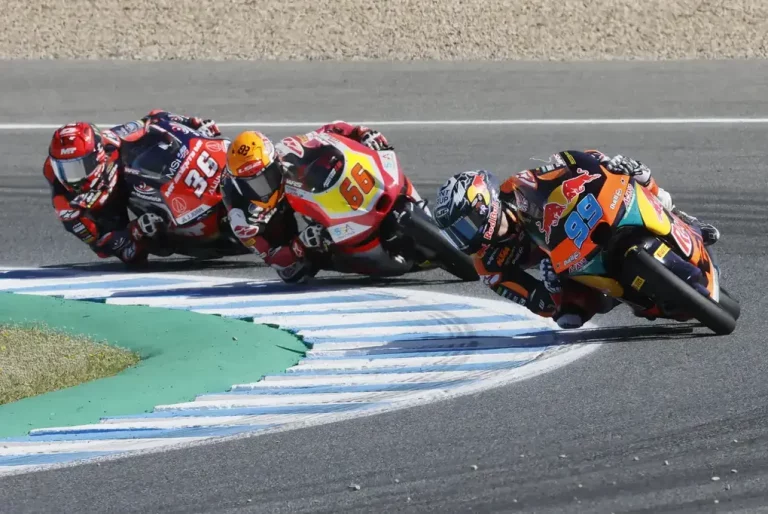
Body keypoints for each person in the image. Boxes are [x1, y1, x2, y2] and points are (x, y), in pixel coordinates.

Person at [433, 149, 721, 329]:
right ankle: (626, 295)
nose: (465, 240)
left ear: (483, 205)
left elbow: (572, 163)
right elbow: (538, 304)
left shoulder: (521, 185)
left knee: (633, 174)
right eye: (456, 234)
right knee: (567, 319)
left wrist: (605, 164)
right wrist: (551, 288)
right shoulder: (489, 267)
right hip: (567, 268)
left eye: (465, 226)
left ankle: (682, 218)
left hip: (582, 224)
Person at [220, 121, 397, 283]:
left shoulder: (287, 150)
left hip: (290, 185)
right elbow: (277, 262)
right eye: (254, 184)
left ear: (275, 160)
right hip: (276, 219)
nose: (265, 186)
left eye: (268, 175)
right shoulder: (242, 218)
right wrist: (302, 243)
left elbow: (328, 131)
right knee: (295, 272)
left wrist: (361, 133)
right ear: (240, 184)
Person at [44, 110, 221, 266]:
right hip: (108, 210)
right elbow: (102, 245)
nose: (70, 178)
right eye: (62, 169)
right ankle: (170, 231)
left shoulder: (111, 140)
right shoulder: (67, 207)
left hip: (129, 177)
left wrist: (192, 123)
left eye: (76, 168)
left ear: (96, 156)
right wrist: (135, 232)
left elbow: (154, 118)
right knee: (135, 252)